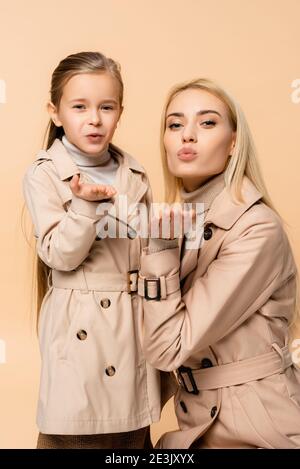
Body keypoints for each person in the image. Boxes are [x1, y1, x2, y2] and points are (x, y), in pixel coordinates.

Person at [137, 78, 300, 448]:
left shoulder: (258, 229)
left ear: (233, 143)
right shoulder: (180, 222)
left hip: (260, 426)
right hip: (194, 424)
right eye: (175, 124)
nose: (187, 136)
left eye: (207, 123)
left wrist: (158, 247)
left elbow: (167, 348)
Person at [22, 51, 161, 449]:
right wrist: (84, 206)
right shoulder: (44, 172)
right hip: (78, 321)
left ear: (120, 111)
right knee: (75, 429)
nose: (94, 119)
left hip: (130, 323)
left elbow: (146, 246)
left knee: (131, 434)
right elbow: (59, 256)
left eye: (106, 107)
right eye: (79, 106)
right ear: (55, 111)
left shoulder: (133, 172)